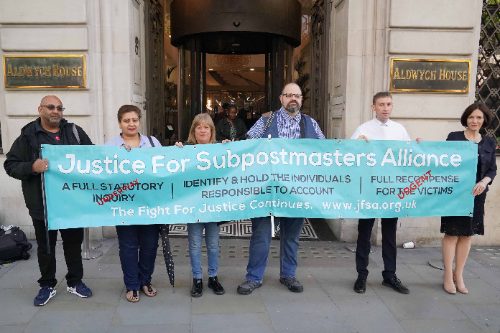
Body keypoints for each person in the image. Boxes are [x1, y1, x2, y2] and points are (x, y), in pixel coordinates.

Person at [4, 95, 93, 306]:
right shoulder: (28, 136)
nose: (56, 111)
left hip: (71, 203)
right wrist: (31, 167)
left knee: (73, 245)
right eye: (51, 107)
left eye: (60, 108)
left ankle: (75, 281)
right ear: (40, 109)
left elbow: (93, 156)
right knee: (46, 247)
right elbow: (10, 165)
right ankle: (47, 285)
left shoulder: (74, 132)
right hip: (42, 205)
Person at [237, 83, 325, 295]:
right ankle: (254, 277)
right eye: (289, 95)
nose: (293, 99)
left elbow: (325, 152)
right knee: (261, 234)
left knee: (292, 235)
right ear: (281, 98)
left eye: (297, 95)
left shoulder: (311, 123)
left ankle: (288, 274)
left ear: (302, 99)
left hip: (298, 190)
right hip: (267, 190)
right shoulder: (266, 121)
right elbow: (248, 146)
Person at [351, 91, 421, 295]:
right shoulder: (363, 129)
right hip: (369, 190)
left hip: (391, 189)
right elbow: (349, 156)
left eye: (389, 104)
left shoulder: (399, 129)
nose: (386, 108)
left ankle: (390, 275)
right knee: (364, 234)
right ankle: (361, 275)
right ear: (374, 107)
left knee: (389, 234)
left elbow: (409, 155)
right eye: (381, 104)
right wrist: (357, 145)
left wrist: (418, 147)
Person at [104, 105, 161, 302]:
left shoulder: (153, 143)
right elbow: (104, 176)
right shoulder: (110, 146)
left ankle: (145, 280)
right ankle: (132, 284)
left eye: (134, 120)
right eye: (127, 120)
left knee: (150, 245)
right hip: (124, 205)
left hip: (150, 205)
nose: (131, 124)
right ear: (120, 122)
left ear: (139, 121)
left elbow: (164, 168)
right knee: (128, 246)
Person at [441, 102, 496, 294]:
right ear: (466, 118)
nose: (475, 120)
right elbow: (441, 160)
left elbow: (492, 169)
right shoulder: (454, 138)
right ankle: (447, 275)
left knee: (467, 234)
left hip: (476, 195)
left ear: (484, 120)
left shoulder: (489, 142)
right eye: (472, 117)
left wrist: (484, 182)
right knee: (451, 233)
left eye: (479, 117)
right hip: (454, 194)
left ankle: (459, 275)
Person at [175, 113, 228, 297]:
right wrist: (175, 151)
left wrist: (229, 149)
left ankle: (213, 277)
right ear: (193, 131)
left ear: (212, 131)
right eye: (199, 127)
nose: (203, 130)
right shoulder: (185, 149)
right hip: (193, 206)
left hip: (212, 207)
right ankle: (197, 278)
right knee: (195, 243)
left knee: (213, 244)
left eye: (206, 127)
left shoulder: (219, 148)